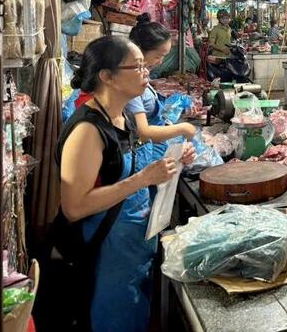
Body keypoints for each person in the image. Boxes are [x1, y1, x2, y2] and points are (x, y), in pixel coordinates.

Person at [58, 36, 195, 331]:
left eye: (146, 66)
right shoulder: (87, 131)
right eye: (137, 67)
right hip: (107, 252)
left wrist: (175, 158)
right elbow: (73, 207)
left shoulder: (123, 119)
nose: (146, 73)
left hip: (134, 244)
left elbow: (133, 167)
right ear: (107, 76)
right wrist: (143, 179)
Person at [128, 14, 197, 165]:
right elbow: (142, 132)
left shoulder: (142, 79)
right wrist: (183, 128)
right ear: (140, 50)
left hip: (153, 152)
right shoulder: (131, 83)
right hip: (144, 157)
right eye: (158, 56)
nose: (160, 62)